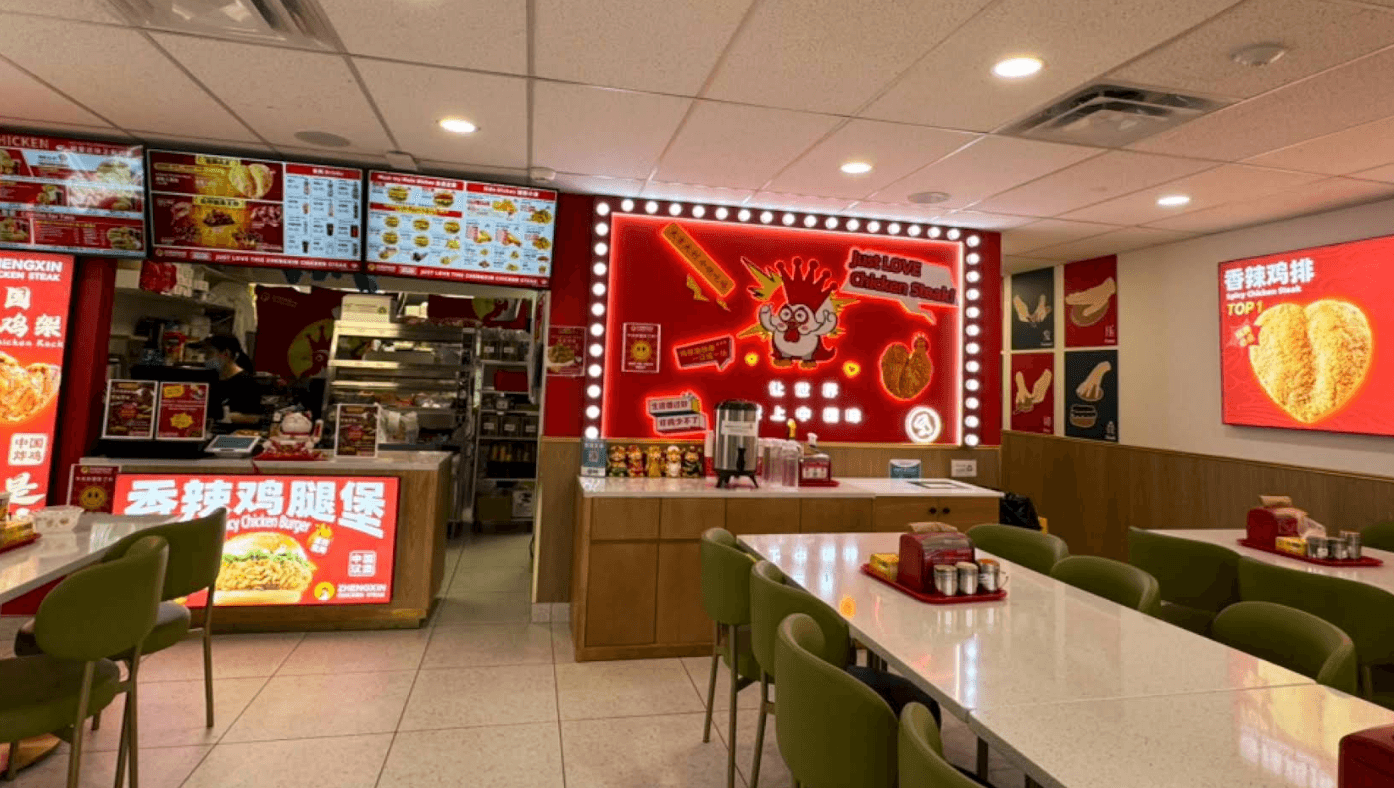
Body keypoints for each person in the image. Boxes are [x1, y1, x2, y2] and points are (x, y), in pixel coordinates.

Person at [205, 335, 262, 424]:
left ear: (226, 353)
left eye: (210, 353)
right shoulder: (211, 379)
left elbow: (254, 417)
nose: (205, 358)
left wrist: (225, 416)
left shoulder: (246, 382)